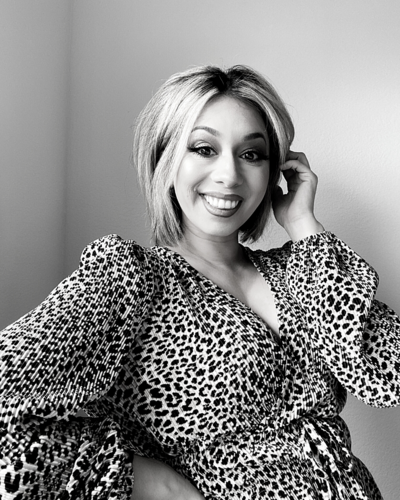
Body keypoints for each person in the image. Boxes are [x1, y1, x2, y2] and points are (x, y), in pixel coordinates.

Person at [0, 65, 399, 500]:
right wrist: (154, 484)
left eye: (252, 154)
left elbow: (387, 376)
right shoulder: (130, 279)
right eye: (204, 148)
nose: (229, 175)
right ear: (166, 158)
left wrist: (304, 226)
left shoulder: (302, 272)